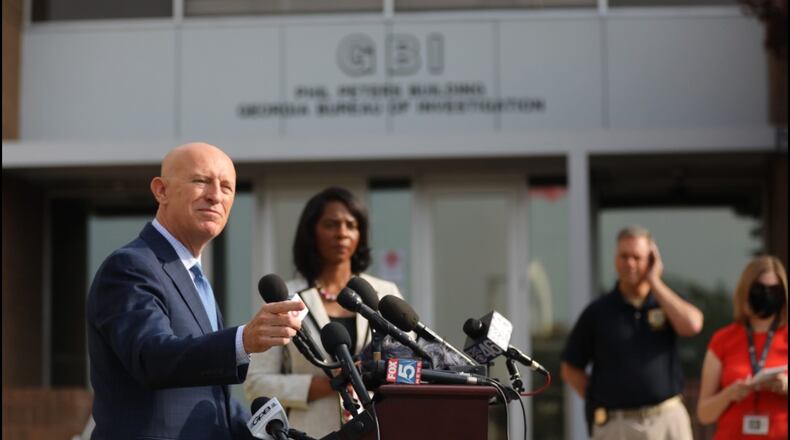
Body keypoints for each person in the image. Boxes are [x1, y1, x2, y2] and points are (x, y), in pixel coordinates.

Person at [86, 143, 305, 440]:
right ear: (161, 191)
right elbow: (152, 359)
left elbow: (208, 395)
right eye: (201, 181)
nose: (216, 196)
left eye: (227, 187)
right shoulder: (130, 266)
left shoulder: (193, 276)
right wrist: (244, 339)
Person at [244, 187, 402, 438]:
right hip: (312, 432)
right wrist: (329, 384)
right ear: (312, 233)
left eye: (351, 225)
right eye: (331, 224)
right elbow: (256, 384)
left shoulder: (383, 293)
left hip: (378, 430)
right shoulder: (286, 298)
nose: (342, 233)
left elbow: (408, 365)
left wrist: (373, 373)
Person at [560, 226, 704, 439]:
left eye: (637, 257)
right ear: (615, 259)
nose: (630, 263)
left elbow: (692, 325)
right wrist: (603, 397)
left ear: (652, 260)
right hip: (617, 424)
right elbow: (570, 369)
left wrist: (655, 282)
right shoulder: (598, 311)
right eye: (624, 256)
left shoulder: (667, 302)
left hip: (666, 419)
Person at [697, 256, 788, 439]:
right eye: (760, 289)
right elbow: (704, 414)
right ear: (746, 291)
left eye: (774, 290)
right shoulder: (723, 339)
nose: (767, 295)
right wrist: (729, 394)